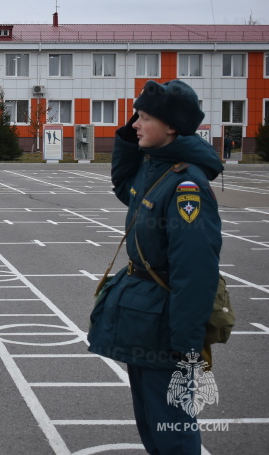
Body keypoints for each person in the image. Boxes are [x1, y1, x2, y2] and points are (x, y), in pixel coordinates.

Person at [88, 80, 222, 454]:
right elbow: (122, 185)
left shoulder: (185, 187)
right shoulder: (155, 169)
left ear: (172, 127)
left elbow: (195, 274)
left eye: (145, 118)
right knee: (152, 423)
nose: (135, 123)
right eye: (137, 115)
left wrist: (186, 348)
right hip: (144, 320)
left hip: (166, 328)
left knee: (172, 430)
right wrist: (132, 140)